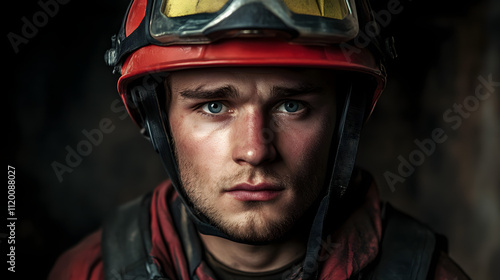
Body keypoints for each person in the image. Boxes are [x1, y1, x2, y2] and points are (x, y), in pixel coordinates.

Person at [49, 0, 470, 279]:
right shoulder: (88, 272)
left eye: (292, 106)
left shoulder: (429, 274)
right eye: (214, 106)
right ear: (157, 118)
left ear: (345, 119)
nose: (255, 150)